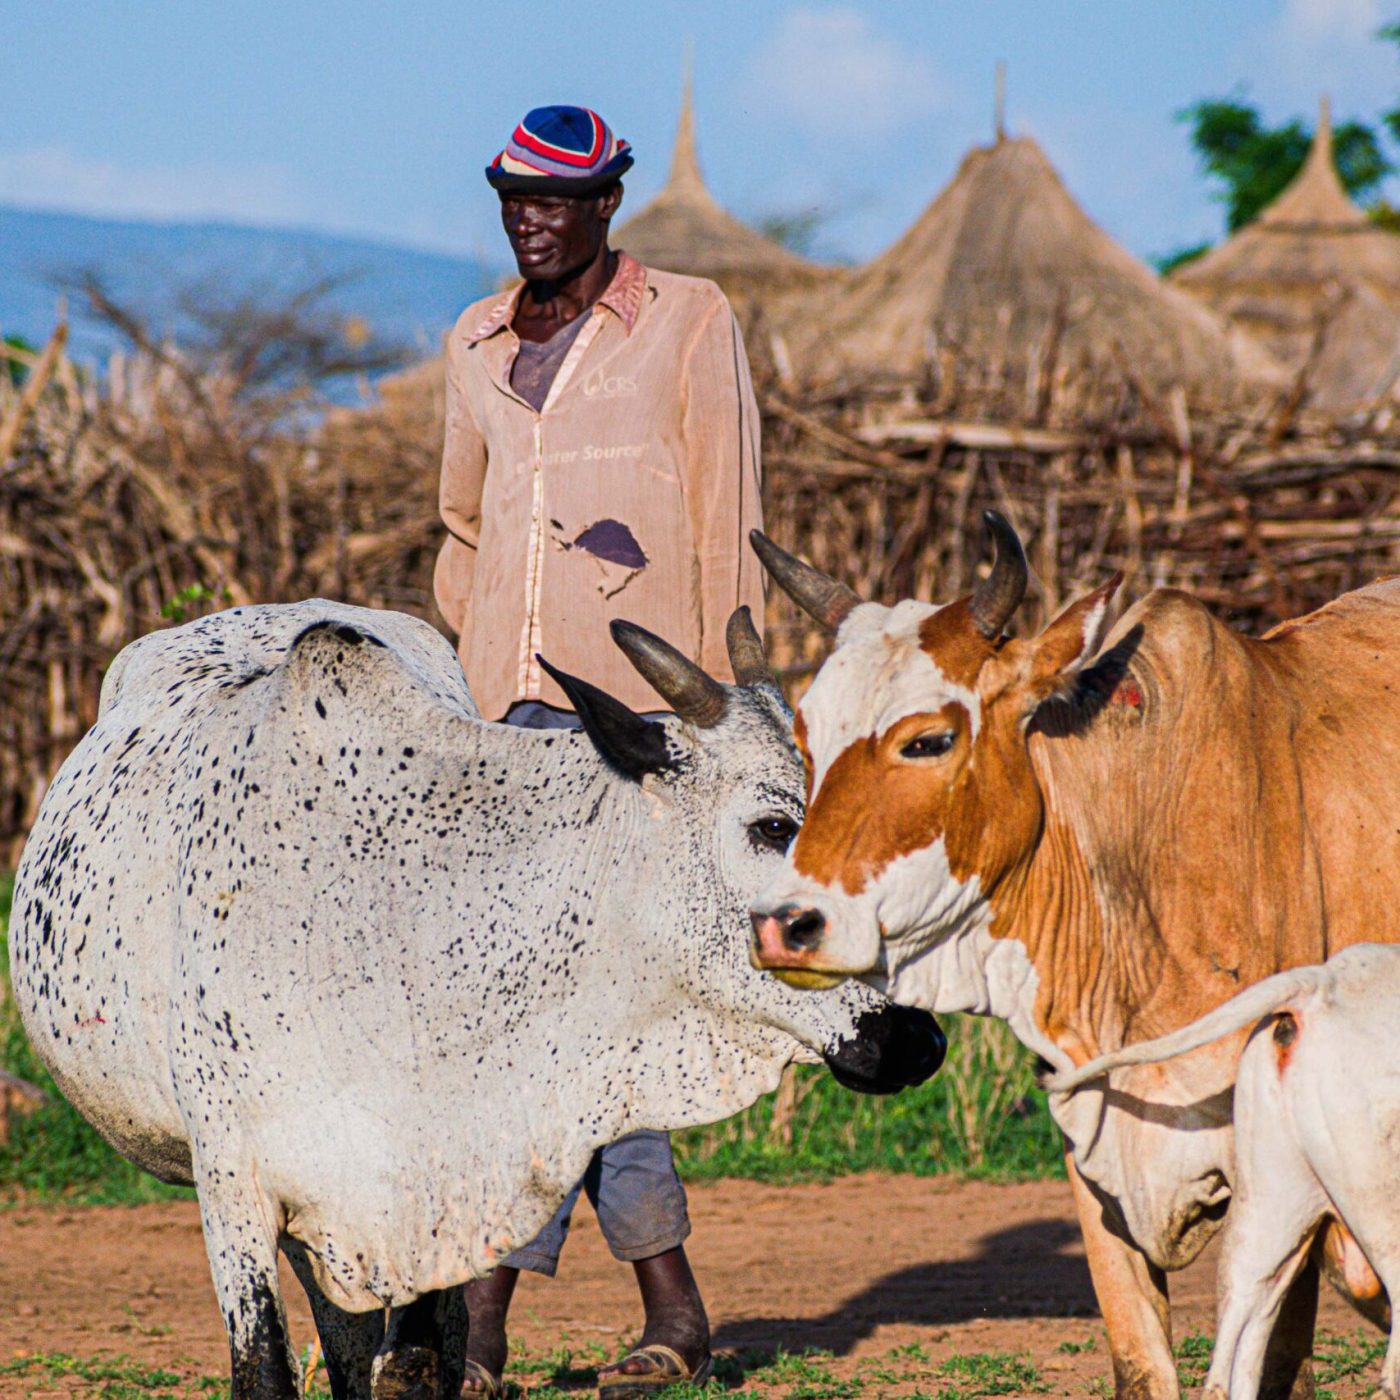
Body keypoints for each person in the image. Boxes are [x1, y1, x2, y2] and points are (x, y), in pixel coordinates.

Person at [434, 104, 764, 1398]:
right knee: (542, 1021)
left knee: (567, 1018)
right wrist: (470, 699)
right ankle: (662, 1313)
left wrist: (722, 722)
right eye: (512, 193)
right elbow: (461, 528)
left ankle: (482, 1328)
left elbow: (726, 512)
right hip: (504, 728)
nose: (530, 215)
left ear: (608, 203)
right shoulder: (468, 339)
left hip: (631, 728)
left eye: (557, 198)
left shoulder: (687, 319)